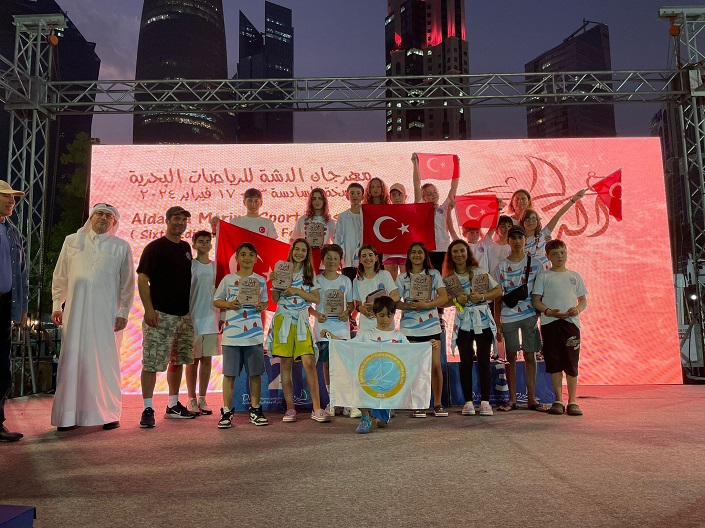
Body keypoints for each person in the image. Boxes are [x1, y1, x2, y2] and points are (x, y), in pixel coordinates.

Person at [50, 203, 135, 431]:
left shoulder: (121, 246)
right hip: (75, 314)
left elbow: (128, 284)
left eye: (108, 216)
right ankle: (68, 417)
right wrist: (57, 305)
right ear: (91, 217)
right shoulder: (72, 241)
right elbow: (60, 276)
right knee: (73, 360)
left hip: (107, 316)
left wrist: (124, 312)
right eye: (99, 214)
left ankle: (108, 414)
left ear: (114, 222)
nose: (103, 218)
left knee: (104, 363)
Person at [138, 206, 196, 428]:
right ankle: (147, 408)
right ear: (167, 220)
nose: (180, 223)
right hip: (160, 315)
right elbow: (142, 279)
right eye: (176, 219)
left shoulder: (186, 248)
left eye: (184, 220)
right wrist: (149, 309)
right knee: (151, 363)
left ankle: (173, 405)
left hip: (183, 316)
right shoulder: (154, 248)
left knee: (178, 361)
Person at [322, 295, 406, 434]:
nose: (385, 319)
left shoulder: (399, 336)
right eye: (381, 315)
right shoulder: (367, 335)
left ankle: (380, 412)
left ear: (394, 315)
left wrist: (429, 345)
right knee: (357, 384)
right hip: (368, 379)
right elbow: (348, 346)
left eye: (389, 315)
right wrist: (330, 336)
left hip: (387, 383)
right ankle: (365, 417)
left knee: (381, 424)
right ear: (374, 314)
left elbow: (411, 353)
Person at [267, 238, 330, 423]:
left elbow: (316, 299)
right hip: (284, 320)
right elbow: (275, 299)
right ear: (291, 250)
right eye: (297, 249)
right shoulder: (282, 269)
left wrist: (297, 291)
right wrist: (274, 283)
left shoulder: (309, 273)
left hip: (302, 320)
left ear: (307, 254)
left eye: (303, 250)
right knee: (285, 365)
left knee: (309, 362)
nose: (299, 253)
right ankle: (290, 408)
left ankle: (317, 408)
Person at [214, 242, 269, 429]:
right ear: (237, 258)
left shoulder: (260, 280)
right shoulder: (228, 279)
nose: (247, 258)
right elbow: (217, 300)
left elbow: (264, 303)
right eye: (243, 254)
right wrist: (230, 304)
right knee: (229, 375)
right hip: (232, 335)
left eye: (251, 254)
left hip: (254, 335)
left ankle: (255, 410)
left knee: (255, 374)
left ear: (256, 259)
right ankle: (227, 411)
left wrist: (261, 306)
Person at [443, 239, 502, 416]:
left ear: (468, 252)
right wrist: (456, 300)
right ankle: (468, 402)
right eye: (455, 251)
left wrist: (482, 297)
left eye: (462, 250)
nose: (459, 254)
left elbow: (498, 291)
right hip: (463, 323)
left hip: (482, 320)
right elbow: (442, 302)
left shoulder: (479, 272)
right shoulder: (448, 279)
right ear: (450, 255)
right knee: (466, 361)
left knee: (484, 360)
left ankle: (485, 402)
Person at [493, 225, 547, 412]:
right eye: (513, 238)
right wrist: (497, 323)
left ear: (525, 240)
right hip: (508, 316)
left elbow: (540, 293)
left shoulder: (536, 264)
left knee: (530, 354)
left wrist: (540, 313)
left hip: (530, 315)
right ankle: (512, 399)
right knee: (511, 356)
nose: (517, 241)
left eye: (520, 238)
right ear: (508, 241)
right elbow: (497, 298)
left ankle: (531, 399)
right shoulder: (500, 266)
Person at [532, 240, 588, 416]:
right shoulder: (544, 276)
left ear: (567, 253)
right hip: (550, 324)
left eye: (562, 252)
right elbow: (536, 301)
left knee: (571, 362)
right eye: (555, 254)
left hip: (571, 324)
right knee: (554, 362)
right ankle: (558, 400)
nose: (559, 257)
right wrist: (548, 311)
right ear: (548, 256)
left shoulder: (575, 276)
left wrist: (577, 309)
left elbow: (583, 300)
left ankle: (572, 401)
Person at [395, 242, 447, 417]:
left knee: (435, 366)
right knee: (416, 368)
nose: (417, 255)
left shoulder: (434, 274)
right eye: (413, 252)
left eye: (420, 252)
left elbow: (444, 297)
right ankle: (418, 404)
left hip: (431, 327)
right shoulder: (402, 278)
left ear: (425, 256)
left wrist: (427, 305)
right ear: (408, 256)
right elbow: (395, 302)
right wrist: (408, 306)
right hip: (409, 329)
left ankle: (438, 403)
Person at [310, 244, 353, 417]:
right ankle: (333, 400)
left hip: (342, 330)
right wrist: (316, 314)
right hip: (323, 329)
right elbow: (307, 305)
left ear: (340, 261)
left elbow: (350, 304)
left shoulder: (346, 281)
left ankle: (346, 400)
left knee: (343, 366)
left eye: (335, 258)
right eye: (328, 258)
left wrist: (347, 313)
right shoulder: (316, 280)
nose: (332, 261)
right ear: (322, 260)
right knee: (327, 366)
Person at [0, 182, 28, 443]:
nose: (12, 202)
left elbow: (21, 274)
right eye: (7, 197)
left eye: (14, 198)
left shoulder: (13, 232)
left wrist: (22, 309)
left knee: (2, 367)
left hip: (5, 304)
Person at [186, 230, 221, 416]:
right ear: (194, 244)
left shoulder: (216, 267)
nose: (205, 244)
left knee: (207, 359)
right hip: (193, 319)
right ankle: (191, 398)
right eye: (201, 241)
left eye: (208, 241)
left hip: (211, 319)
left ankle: (202, 397)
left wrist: (222, 317)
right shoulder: (190, 265)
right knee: (192, 361)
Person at [412, 153, 459, 275]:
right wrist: (415, 164)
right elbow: (416, 184)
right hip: (428, 250)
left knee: (444, 279)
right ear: (424, 198)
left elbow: (453, 187)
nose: (433, 195)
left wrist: (456, 165)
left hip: (444, 248)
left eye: (434, 192)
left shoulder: (444, 208)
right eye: (429, 193)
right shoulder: (421, 208)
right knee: (429, 279)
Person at [520, 189, 586, 267]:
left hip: (545, 273)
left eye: (534, 219)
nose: (530, 222)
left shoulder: (544, 234)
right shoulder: (518, 240)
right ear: (522, 222)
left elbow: (558, 215)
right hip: (525, 274)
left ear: (538, 221)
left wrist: (573, 200)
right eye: (527, 219)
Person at [291, 188, 336, 269]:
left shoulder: (330, 222)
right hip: (305, 261)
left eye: (320, 198)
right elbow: (293, 240)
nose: (317, 201)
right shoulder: (302, 220)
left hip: (323, 261)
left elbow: (335, 242)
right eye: (314, 199)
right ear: (310, 201)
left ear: (324, 201)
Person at [210, 187, 278, 239]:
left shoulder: (268, 223)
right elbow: (227, 241)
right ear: (244, 202)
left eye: (256, 201)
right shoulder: (235, 222)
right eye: (250, 201)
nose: (253, 204)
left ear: (261, 203)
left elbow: (273, 246)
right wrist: (215, 229)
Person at [334, 182, 364, 284]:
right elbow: (337, 237)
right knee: (348, 284)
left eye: (358, 193)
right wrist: (337, 256)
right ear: (347, 196)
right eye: (352, 193)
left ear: (362, 196)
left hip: (364, 258)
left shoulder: (366, 215)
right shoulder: (342, 216)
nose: (355, 196)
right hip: (347, 259)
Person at [383, 183, 408, 280]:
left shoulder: (411, 211)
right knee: (391, 283)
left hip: (406, 252)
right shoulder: (384, 212)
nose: (397, 197)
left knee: (406, 283)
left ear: (405, 196)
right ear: (390, 197)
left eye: (400, 194)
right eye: (393, 195)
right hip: (389, 252)